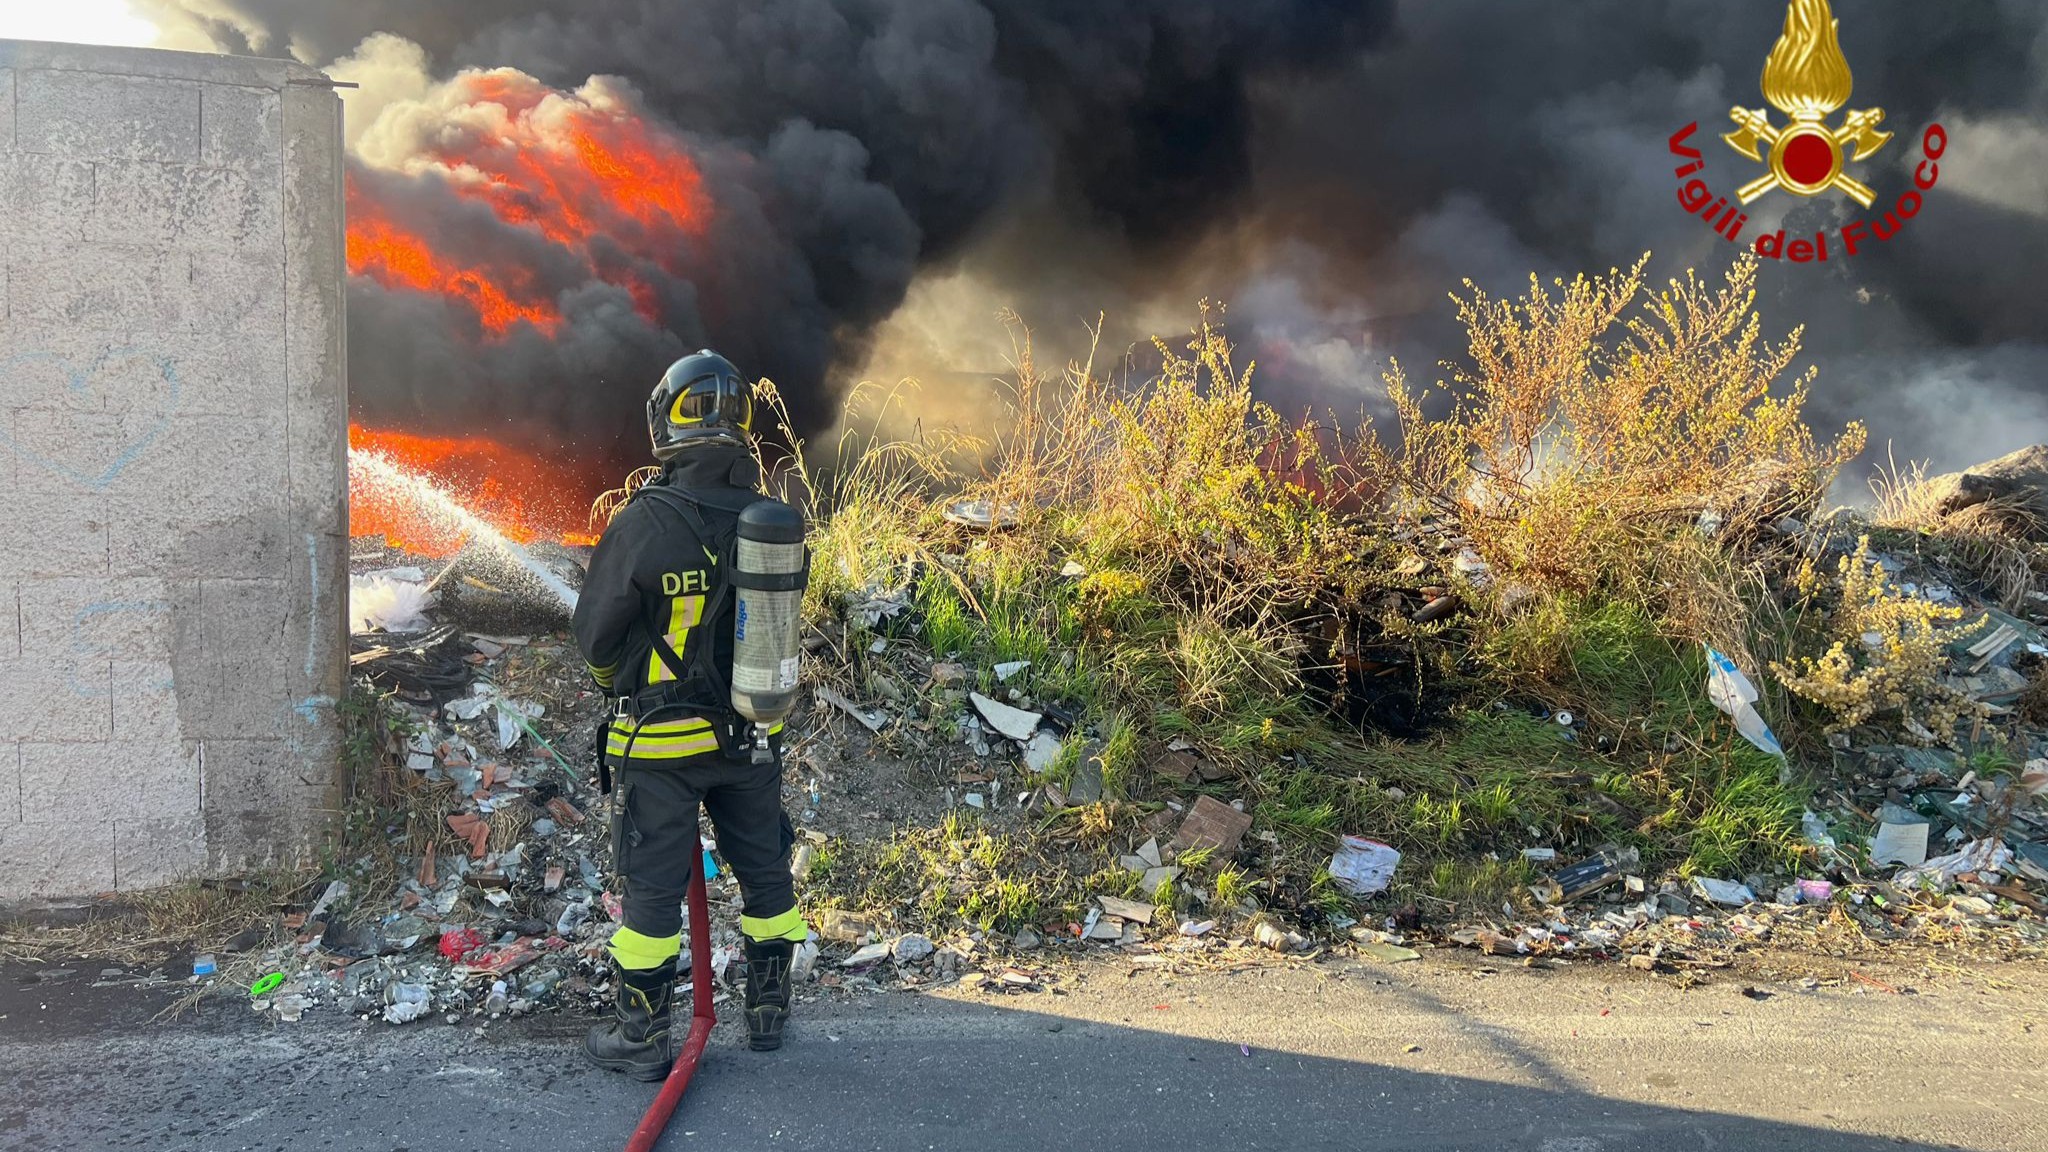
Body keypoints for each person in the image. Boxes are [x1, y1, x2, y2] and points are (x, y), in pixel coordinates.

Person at [572, 349, 807, 1077]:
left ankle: (640, 1038)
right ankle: (768, 1013)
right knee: (766, 875)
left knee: (652, 890)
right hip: (750, 740)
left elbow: (596, 640)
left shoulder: (644, 522)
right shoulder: (772, 520)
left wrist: (625, 683)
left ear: (667, 421)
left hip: (660, 748)